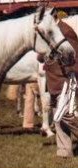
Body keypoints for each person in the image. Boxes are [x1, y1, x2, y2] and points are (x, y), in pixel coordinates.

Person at [43, 13, 78, 158]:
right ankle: (64, 151)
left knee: (66, 115)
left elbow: (75, 56)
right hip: (52, 80)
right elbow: (41, 56)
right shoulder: (51, 32)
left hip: (65, 80)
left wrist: (72, 76)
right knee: (58, 118)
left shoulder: (65, 30)